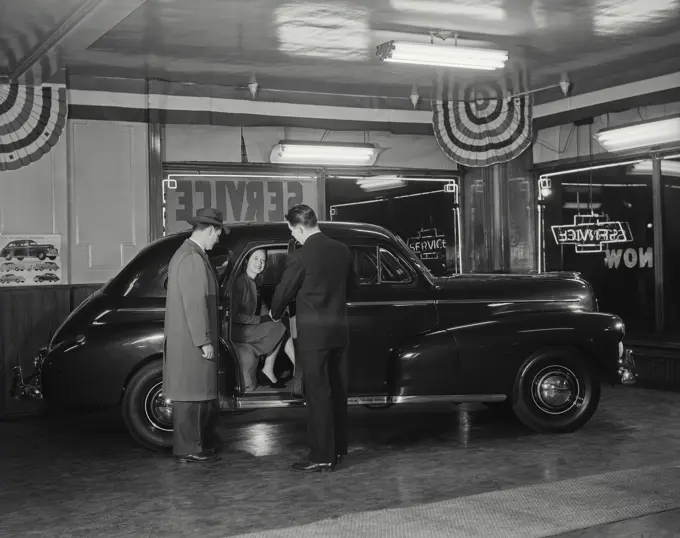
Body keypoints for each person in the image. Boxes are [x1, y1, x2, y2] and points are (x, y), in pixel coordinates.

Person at [270, 204, 352, 473]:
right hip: (339, 332)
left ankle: (321, 456)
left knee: (318, 394)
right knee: (338, 391)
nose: (294, 236)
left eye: (293, 231)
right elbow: (354, 287)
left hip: (314, 336)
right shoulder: (342, 250)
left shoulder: (301, 256)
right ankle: (338, 448)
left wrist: (275, 312)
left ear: (301, 227)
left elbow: (284, 291)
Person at [163, 207, 227, 464]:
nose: (218, 239)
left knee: (194, 392)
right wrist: (204, 340)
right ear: (210, 230)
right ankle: (189, 448)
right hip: (192, 338)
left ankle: (193, 445)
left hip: (187, 337)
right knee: (190, 394)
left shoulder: (188, 254)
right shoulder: (192, 258)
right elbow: (194, 302)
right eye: (218, 234)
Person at [231, 248, 296, 391]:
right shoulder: (240, 283)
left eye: (262, 260)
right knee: (279, 327)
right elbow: (234, 315)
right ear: (246, 261)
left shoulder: (256, 282)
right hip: (237, 330)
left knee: (282, 323)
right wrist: (262, 319)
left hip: (248, 327)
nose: (259, 263)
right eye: (255, 259)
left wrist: (273, 316)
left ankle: (278, 368)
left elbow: (262, 309)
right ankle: (274, 369)